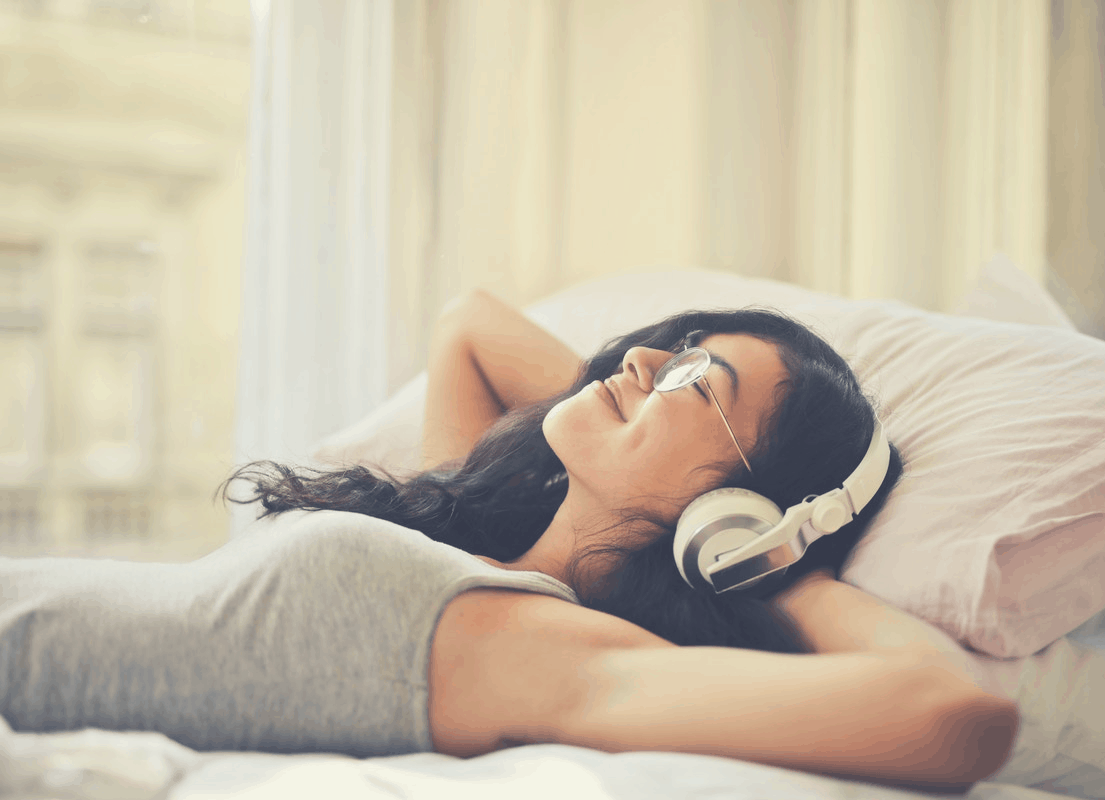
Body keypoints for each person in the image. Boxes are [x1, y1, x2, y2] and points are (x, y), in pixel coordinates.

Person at [0, 289, 1019, 792]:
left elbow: (961, 714)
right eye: (679, 346)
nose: (650, 357)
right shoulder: (477, 531)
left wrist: (764, 557)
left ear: (745, 511)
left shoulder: (544, 654)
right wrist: (632, 390)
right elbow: (475, 329)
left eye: (699, 382)